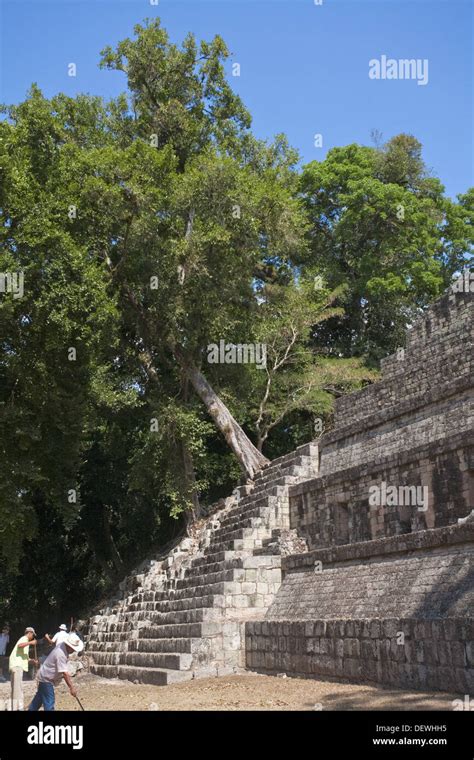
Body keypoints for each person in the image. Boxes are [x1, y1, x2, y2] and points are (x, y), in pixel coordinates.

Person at [28, 633, 83, 711]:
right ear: (69, 646)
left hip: (45, 675)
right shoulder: (60, 654)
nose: (74, 650)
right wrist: (71, 688)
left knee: (37, 701)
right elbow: (64, 673)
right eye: (73, 648)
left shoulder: (62, 646)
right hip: (47, 679)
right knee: (49, 703)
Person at [9, 627, 39, 710]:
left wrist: (32, 661)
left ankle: (14, 707)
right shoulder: (24, 638)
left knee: (16, 688)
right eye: (32, 635)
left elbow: (25, 658)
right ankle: (19, 708)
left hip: (16, 665)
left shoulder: (25, 641)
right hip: (17, 666)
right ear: (29, 633)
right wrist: (31, 642)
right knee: (18, 688)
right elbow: (20, 645)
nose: (33, 637)